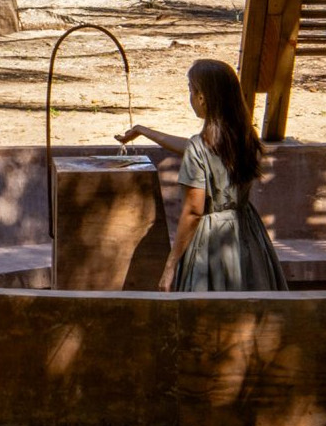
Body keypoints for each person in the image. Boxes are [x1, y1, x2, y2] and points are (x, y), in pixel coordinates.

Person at [118, 57, 288, 293]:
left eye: (190, 90)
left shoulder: (201, 147)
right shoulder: (245, 136)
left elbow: (194, 211)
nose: (190, 97)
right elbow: (192, 147)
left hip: (214, 241)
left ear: (202, 98)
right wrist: (143, 131)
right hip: (247, 233)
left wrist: (170, 267)